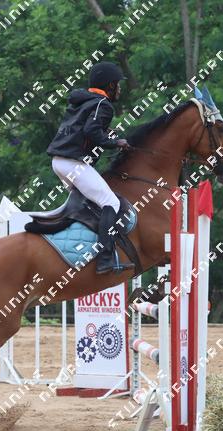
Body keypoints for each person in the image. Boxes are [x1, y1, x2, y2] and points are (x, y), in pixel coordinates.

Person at [46, 61, 133, 274]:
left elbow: (82, 129)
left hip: (59, 162)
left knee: (89, 204)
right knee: (110, 202)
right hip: (73, 163)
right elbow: (91, 131)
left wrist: (106, 134)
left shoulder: (83, 101)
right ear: (110, 85)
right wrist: (116, 142)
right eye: (117, 84)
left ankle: (78, 245)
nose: (119, 89)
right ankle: (105, 259)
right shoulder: (104, 104)